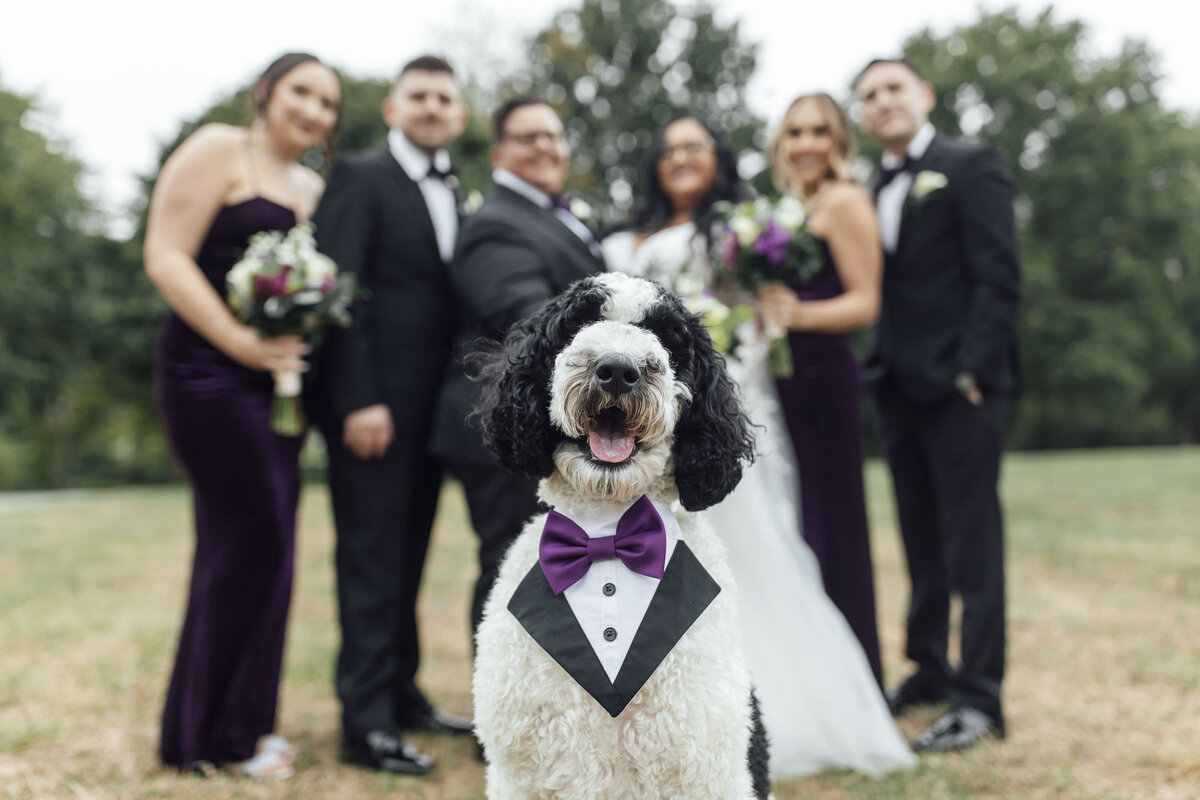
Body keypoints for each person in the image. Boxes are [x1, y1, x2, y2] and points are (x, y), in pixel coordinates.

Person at [602, 115, 915, 779]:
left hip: (702, 411)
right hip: (630, 429)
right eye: (669, 148)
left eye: (696, 146)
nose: (682, 157)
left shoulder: (737, 232)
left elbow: (751, 328)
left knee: (738, 562)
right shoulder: (623, 237)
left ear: (719, 157)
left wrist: (700, 403)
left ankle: (765, 714)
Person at [145, 52, 341, 779]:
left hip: (277, 387)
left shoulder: (315, 188)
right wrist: (241, 343)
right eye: (302, 91)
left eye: (328, 102)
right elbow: (165, 256)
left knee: (274, 547)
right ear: (265, 91)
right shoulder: (215, 149)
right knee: (249, 540)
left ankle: (237, 726)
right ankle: (210, 738)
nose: (315, 110)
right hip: (206, 376)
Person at [308, 55, 472, 777]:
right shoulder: (360, 176)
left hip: (431, 414)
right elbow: (339, 293)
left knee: (408, 558)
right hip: (372, 409)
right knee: (371, 562)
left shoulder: (456, 190)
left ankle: (402, 694)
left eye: (445, 97)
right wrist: (357, 398)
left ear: (460, 115)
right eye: (420, 95)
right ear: (393, 108)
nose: (433, 107)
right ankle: (364, 723)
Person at [854, 57, 1021, 752]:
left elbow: (999, 276)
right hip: (898, 389)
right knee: (921, 540)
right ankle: (928, 668)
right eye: (868, 95)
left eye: (894, 88)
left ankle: (979, 700)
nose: (883, 101)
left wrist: (972, 370)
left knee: (971, 545)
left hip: (962, 390)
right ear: (862, 116)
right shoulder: (872, 186)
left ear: (924, 95)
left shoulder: (969, 163)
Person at [430, 96, 606, 636]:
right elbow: (529, 317)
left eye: (554, 135)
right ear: (500, 152)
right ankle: (501, 699)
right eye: (529, 137)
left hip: (556, 420)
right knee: (513, 563)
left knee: (547, 560)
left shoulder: (558, 215)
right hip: (505, 421)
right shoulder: (494, 224)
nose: (546, 146)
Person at [756, 93, 885, 687]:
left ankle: (855, 677)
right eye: (794, 132)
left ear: (839, 141)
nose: (806, 143)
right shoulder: (787, 209)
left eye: (819, 132)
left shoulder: (846, 201)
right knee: (799, 521)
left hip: (826, 379)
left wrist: (796, 316)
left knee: (835, 522)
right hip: (784, 381)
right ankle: (813, 672)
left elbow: (865, 301)